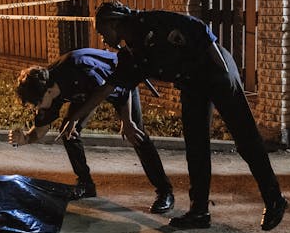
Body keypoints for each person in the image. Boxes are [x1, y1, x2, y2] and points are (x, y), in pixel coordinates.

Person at [60, 2, 288, 231]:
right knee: (196, 146)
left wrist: (222, 68)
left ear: (114, 23)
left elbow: (197, 28)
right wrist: (75, 117)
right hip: (191, 83)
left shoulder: (152, 21)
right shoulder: (131, 54)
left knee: (245, 139)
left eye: (102, 32)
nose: (101, 38)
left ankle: (274, 199)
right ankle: (199, 212)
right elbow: (109, 87)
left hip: (215, 68)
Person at [9, 47, 175, 213]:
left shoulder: (80, 69)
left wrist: (127, 120)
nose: (37, 108)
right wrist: (25, 138)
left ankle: (165, 192)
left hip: (119, 80)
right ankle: (86, 185)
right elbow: (40, 130)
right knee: (68, 131)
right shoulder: (46, 89)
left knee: (136, 135)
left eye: (37, 103)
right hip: (88, 92)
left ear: (49, 91)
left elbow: (122, 89)